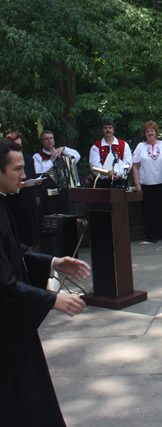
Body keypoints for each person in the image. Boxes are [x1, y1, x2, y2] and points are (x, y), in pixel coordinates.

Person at [0, 138, 91, 427]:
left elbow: (16, 254)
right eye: (16, 169)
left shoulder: (3, 202)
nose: (24, 175)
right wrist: (51, 299)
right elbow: (4, 284)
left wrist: (53, 262)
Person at [132, 121, 162, 243]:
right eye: (147, 131)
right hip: (147, 183)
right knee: (149, 210)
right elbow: (135, 166)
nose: (150, 133)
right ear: (144, 133)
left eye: (152, 131)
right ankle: (151, 235)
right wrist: (137, 184)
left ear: (156, 132)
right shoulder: (140, 147)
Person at [6, 131, 41, 250]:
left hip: (28, 203)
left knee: (30, 237)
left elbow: (32, 176)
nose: (22, 174)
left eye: (19, 145)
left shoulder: (29, 160)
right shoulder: (5, 162)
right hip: (13, 205)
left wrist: (36, 182)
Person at [33, 130, 81, 216]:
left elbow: (77, 156)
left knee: (66, 217)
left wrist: (63, 148)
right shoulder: (38, 156)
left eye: (51, 138)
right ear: (41, 141)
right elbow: (38, 171)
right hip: (48, 194)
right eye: (46, 139)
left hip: (63, 192)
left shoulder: (62, 153)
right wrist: (51, 161)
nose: (49, 141)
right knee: (50, 218)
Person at [89, 119, 133, 188]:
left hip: (119, 181)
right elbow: (94, 165)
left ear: (113, 130)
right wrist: (107, 174)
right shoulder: (96, 146)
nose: (108, 130)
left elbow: (128, 162)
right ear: (102, 130)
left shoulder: (124, 144)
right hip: (102, 182)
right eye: (105, 128)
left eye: (110, 128)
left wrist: (117, 174)